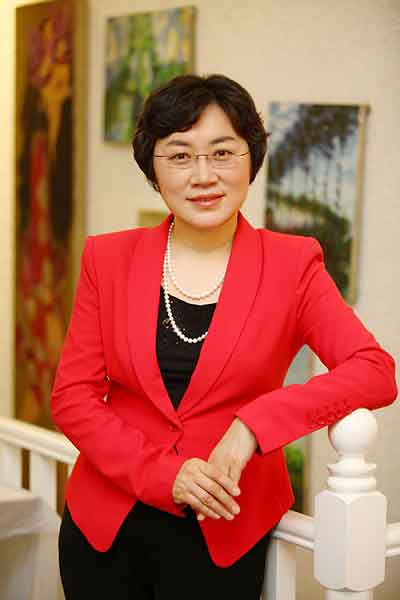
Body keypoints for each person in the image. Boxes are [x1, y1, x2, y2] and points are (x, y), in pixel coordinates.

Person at [52, 74, 397, 599]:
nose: (203, 176)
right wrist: (162, 473)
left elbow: (374, 369)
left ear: (250, 158)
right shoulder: (108, 258)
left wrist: (255, 424)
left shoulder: (293, 265)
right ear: (153, 168)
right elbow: (72, 397)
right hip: (105, 524)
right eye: (179, 155)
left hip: (225, 528)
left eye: (222, 153)